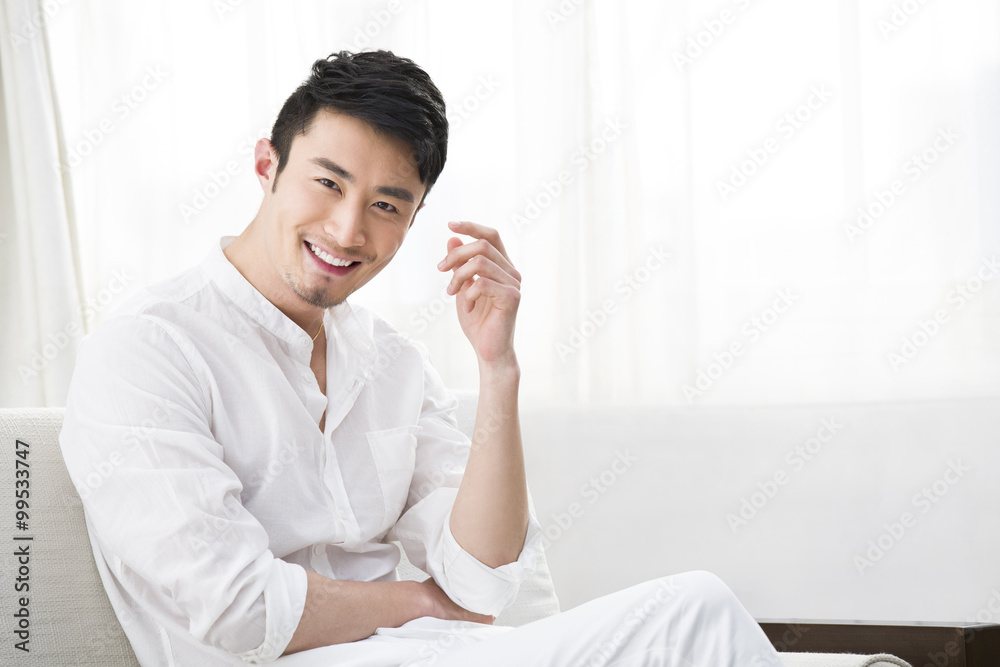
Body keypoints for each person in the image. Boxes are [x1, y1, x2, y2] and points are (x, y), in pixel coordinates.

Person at [59, 50, 785, 666]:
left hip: (421, 651)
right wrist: (418, 603)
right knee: (692, 611)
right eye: (328, 181)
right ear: (266, 164)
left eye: (386, 204)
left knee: (693, 613)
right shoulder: (147, 347)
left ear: (413, 215)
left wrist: (497, 370)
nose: (346, 230)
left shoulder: (391, 362)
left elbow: (480, 581)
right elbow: (238, 606)